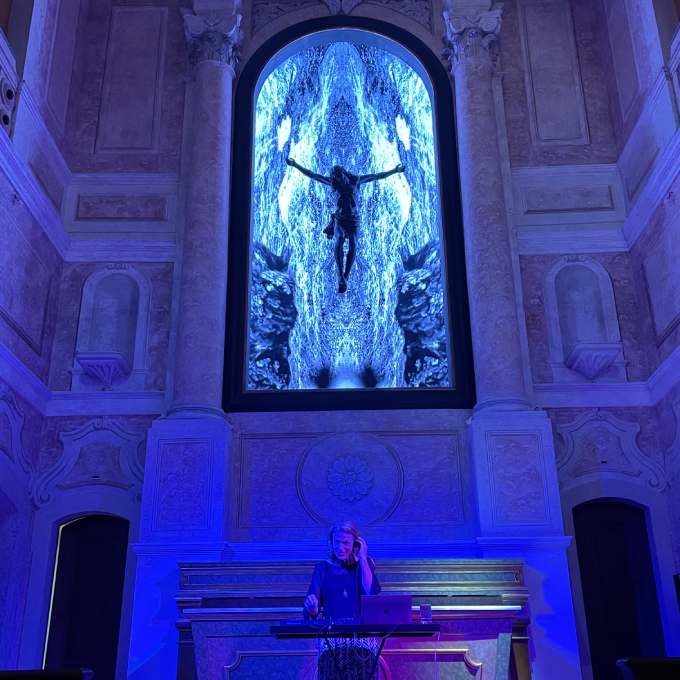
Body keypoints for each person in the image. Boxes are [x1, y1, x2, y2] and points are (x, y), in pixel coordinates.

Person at [286, 157, 405, 293]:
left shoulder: (356, 180)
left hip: (354, 219)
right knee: (340, 241)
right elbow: (313, 175)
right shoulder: (333, 183)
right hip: (340, 218)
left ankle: (345, 276)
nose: (336, 179)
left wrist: (395, 170)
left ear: (343, 173)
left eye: (337, 176)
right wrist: (295, 164)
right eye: (334, 177)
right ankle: (340, 276)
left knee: (353, 243)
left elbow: (376, 176)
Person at [304, 521, 381, 679]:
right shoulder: (322, 568)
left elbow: (371, 593)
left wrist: (363, 557)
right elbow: (312, 606)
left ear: (355, 543)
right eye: (337, 542)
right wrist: (313, 608)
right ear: (331, 543)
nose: (340, 547)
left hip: (362, 639)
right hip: (332, 641)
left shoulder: (365, 563)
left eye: (346, 543)